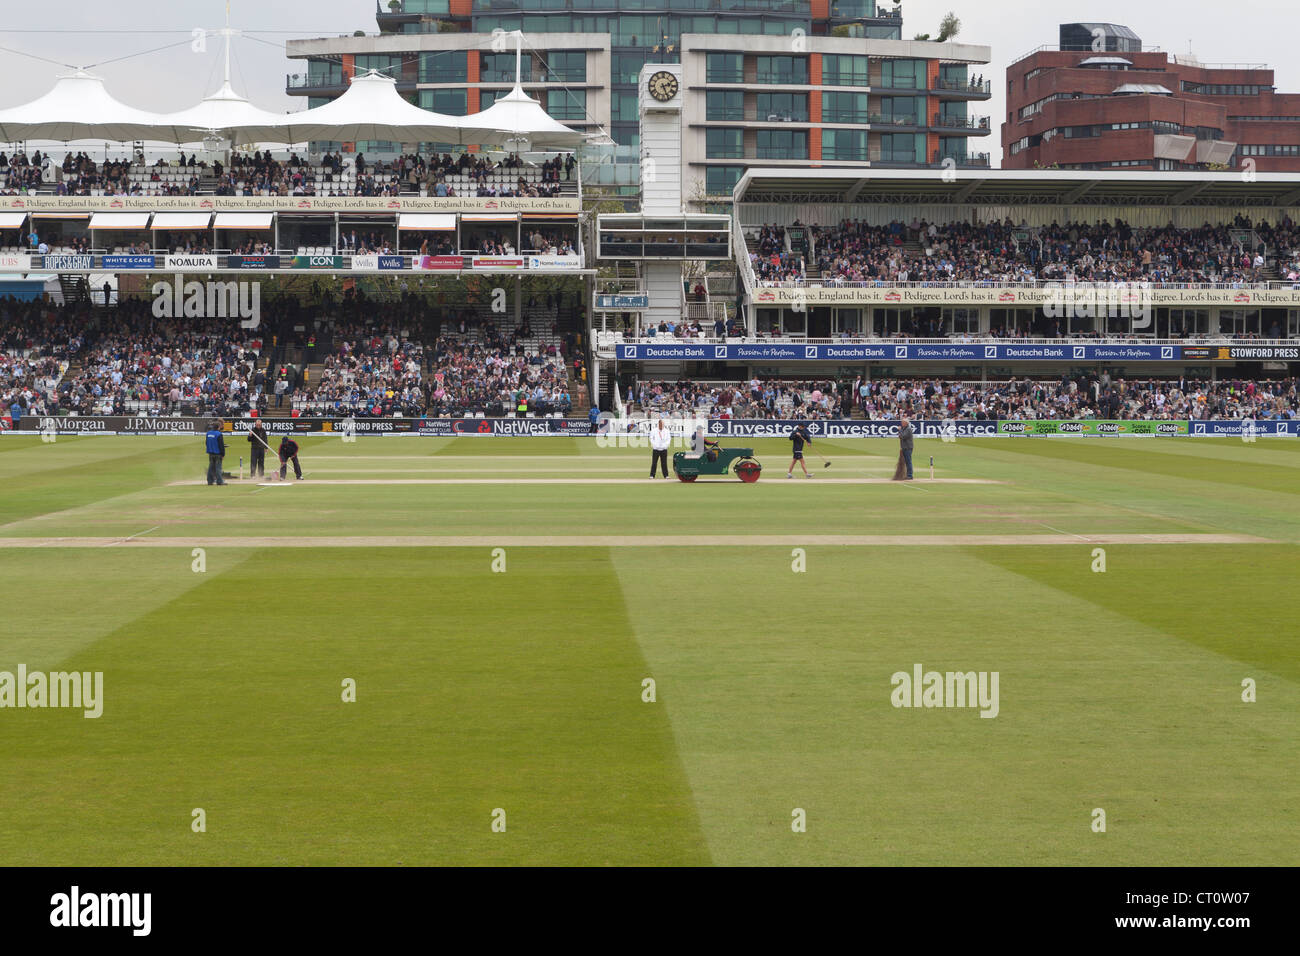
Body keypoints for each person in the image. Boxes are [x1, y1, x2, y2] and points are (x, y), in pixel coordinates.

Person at [205, 419, 226, 486]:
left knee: (211, 468)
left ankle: (210, 481)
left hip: (210, 453)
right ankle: (219, 481)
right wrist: (223, 454)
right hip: (217, 453)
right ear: (218, 427)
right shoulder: (219, 434)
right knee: (218, 468)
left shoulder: (208, 433)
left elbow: (206, 443)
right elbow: (221, 445)